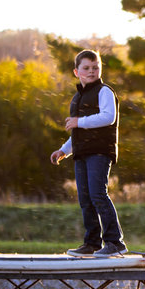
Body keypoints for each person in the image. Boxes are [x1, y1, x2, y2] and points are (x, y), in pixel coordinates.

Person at [50, 50, 128, 257]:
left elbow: (108, 117)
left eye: (95, 67)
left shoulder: (104, 92)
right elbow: (78, 132)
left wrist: (79, 122)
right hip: (81, 153)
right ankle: (91, 243)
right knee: (85, 199)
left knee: (98, 195)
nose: (91, 71)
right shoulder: (77, 98)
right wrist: (64, 150)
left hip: (100, 152)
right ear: (77, 72)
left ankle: (115, 242)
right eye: (86, 68)